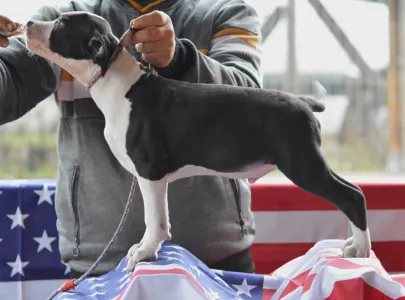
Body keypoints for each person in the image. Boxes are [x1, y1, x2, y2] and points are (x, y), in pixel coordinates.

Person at [0, 0, 262, 277]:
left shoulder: (226, 12)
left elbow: (251, 107)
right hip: (98, 267)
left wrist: (182, 60)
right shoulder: (58, 22)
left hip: (218, 265)